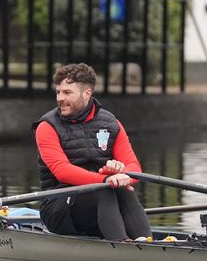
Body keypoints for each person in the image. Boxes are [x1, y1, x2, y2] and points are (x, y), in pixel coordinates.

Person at [33, 63, 153, 241]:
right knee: (104, 190)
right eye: (58, 92)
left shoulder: (111, 123)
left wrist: (121, 174)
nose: (59, 98)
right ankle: (122, 245)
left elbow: (134, 168)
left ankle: (146, 242)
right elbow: (62, 171)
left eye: (67, 93)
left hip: (100, 204)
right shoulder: (46, 127)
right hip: (59, 206)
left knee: (124, 190)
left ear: (87, 93)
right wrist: (106, 179)